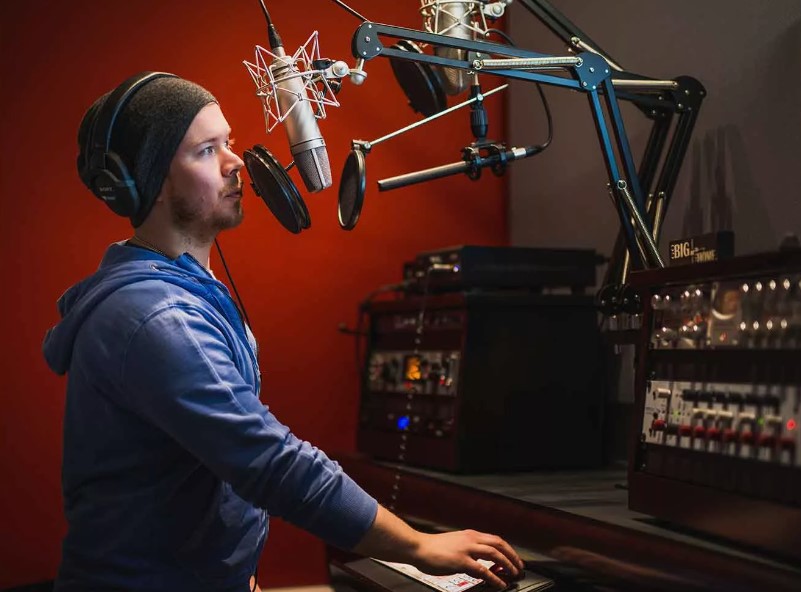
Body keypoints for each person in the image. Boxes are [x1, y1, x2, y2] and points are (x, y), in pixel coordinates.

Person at [42, 71, 524, 592]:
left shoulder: (183, 290)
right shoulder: (158, 318)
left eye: (227, 142)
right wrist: (418, 545)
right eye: (206, 151)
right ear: (150, 180)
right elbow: (270, 461)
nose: (235, 162)